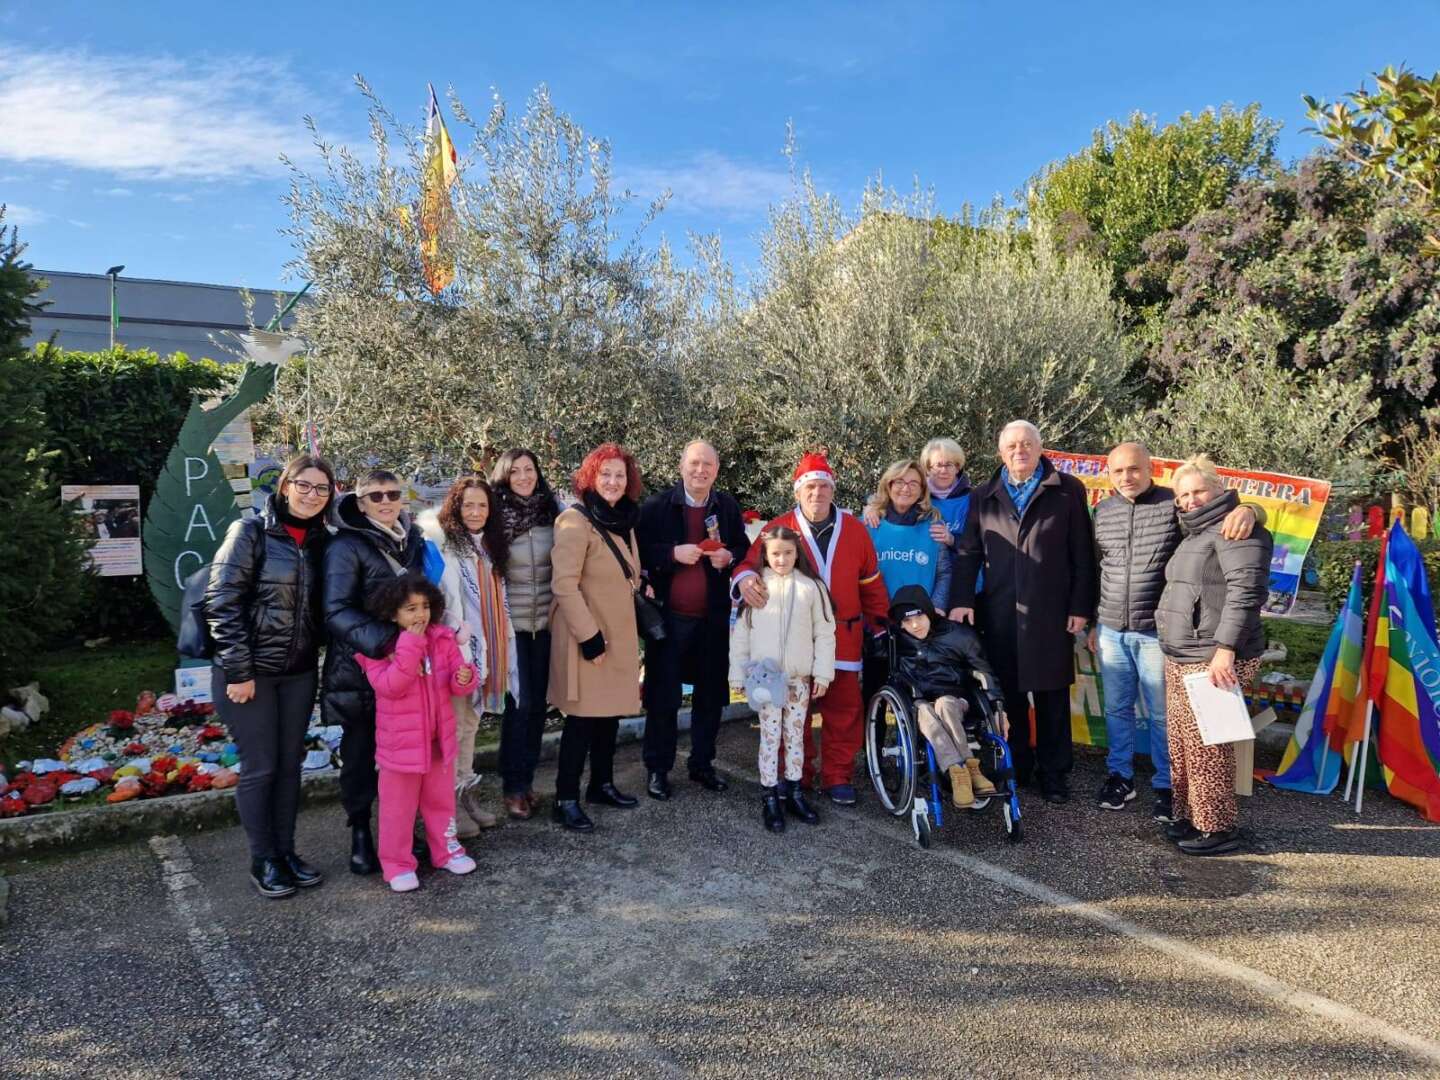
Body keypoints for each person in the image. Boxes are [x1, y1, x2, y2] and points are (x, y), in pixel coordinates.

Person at [1090, 442, 1259, 821]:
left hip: (1156, 630)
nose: (1126, 477)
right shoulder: (1102, 510)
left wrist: (1250, 508)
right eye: (1118, 471)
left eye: (1133, 469)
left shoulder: (1175, 504)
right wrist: (1090, 620)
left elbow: (1218, 516)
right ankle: (1120, 776)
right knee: (1116, 709)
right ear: (1109, 475)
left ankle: (1167, 785)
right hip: (1111, 627)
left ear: (1150, 469)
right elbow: (1096, 567)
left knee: (1163, 714)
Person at [206, 454, 334, 899]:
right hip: (249, 675)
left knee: (289, 767)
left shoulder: (322, 542)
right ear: (284, 486)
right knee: (261, 768)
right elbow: (222, 601)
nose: (312, 495)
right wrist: (239, 671)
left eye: (322, 489)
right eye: (305, 485)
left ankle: (286, 851)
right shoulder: (250, 532)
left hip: (297, 673)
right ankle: (264, 858)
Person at [952, 421, 1097, 805]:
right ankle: (1019, 766)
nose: (1020, 451)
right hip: (999, 612)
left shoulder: (1067, 490)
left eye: (1027, 444)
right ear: (1001, 452)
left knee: (1051, 698)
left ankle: (1054, 774)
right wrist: (962, 599)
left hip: (1051, 613)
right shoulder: (984, 495)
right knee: (1010, 698)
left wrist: (1081, 607)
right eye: (1012, 445)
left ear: (1040, 447)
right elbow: (968, 553)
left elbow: (1083, 553)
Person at [733, 453, 891, 805]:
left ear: (832, 490)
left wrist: (880, 625)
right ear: (798, 491)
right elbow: (746, 564)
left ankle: (837, 776)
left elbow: (871, 583)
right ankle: (798, 773)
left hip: (845, 637)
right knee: (795, 710)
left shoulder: (854, 530)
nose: (816, 493)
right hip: (794, 642)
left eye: (823, 486)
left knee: (844, 710)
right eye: (810, 486)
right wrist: (744, 579)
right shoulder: (780, 527)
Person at [1155, 455, 1272, 856]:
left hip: (1214, 655)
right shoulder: (1195, 532)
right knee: (1183, 743)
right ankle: (1190, 815)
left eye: (1198, 491)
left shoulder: (1237, 527)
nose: (1190, 500)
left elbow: (1245, 595)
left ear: (1219, 489)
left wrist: (1225, 650)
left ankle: (1218, 827)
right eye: (1183, 494)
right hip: (1183, 653)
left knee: (1208, 747)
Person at [322, 469, 428, 874]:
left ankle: (401, 831)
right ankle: (361, 831)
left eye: (392, 494)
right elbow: (335, 609)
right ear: (360, 502)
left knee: (404, 753)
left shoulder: (412, 541)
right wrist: (385, 642)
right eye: (375, 496)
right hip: (361, 666)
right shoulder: (346, 546)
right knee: (361, 753)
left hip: (406, 664)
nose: (385, 501)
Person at [637, 440, 749, 801]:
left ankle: (702, 764)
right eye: (695, 464)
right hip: (667, 620)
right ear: (682, 466)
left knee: (710, 698)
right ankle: (658, 769)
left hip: (713, 620)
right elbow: (636, 552)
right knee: (663, 698)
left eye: (708, 465)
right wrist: (671, 554)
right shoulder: (656, 507)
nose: (701, 471)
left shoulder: (726, 506)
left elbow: (745, 549)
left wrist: (730, 555)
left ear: (717, 470)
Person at [356, 574, 479, 891]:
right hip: (401, 748)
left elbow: (458, 681)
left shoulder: (442, 638)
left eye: (424, 606)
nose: (420, 615)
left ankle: (447, 850)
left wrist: (465, 677)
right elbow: (390, 686)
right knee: (397, 810)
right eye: (410, 608)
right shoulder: (378, 647)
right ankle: (396, 865)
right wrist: (410, 645)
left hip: (439, 741)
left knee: (441, 803)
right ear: (392, 612)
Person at [548, 443, 646, 832]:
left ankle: (601, 785)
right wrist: (589, 636)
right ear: (590, 476)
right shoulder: (575, 521)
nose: (612, 481)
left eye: (619, 475)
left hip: (618, 634)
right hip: (586, 636)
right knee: (583, 721)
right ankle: (564, 797)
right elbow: (564, 586)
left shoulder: (623, 519)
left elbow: (629, 573)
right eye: (605, 474)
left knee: (609, 716)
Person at [423, 475, 517, 835]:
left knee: (470, 725)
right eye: (468, 505)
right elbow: (443, 603)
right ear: (455, 508)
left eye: (482, 505)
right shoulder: (445, 546)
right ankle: (447, 806)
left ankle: (465, 796)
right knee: (454, 727)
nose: (475, 512)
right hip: (457, 653)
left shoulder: (490, 547)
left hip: (487, 649)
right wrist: (460, 647)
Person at [728, 526, 834, 832]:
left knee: (796, 736)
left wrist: (823, 672)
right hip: (766, 681)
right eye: (775, 553)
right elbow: (742, 635)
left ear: (797, 553)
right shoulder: (756, 586)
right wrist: (737, 673)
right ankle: (770, 795)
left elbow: (825, 632)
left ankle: (794, 791)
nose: (782, 559)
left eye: (788, 553)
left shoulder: (812, 587)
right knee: (770, 739)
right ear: (765, 553)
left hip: (799, 681)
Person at [490, 448, 567, 820]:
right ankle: (513, 786)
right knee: (518, 709)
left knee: (538, 707)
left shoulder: (552, 512)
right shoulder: (493, 516)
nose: (524, 476)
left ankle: (527, 780)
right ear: (504, 476)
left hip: (547, 625)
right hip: (512, 627)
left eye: (529, 469)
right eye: (516, 471)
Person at [888, 584, 1004, 810]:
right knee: (923, 709)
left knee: (944, 704)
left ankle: (965, 769)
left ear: (928, 611)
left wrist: (1000, 708)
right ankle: (962, 771)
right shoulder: (897, 642)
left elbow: (985, 672)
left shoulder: (958, 635)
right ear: (900, 624)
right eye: (907, 621)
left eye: (919, 617)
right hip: (919, 703)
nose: (914, 625)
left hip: (956, 699)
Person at [864, 459, 952, 609]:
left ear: (921, 491)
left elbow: (944, 573)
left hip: (921, 621)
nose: (906, 489)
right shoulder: (868, 524)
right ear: (889, 485)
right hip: (877, 618)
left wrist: (936, 608)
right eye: (899, 482)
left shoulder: (934, 525)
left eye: (913, 484)